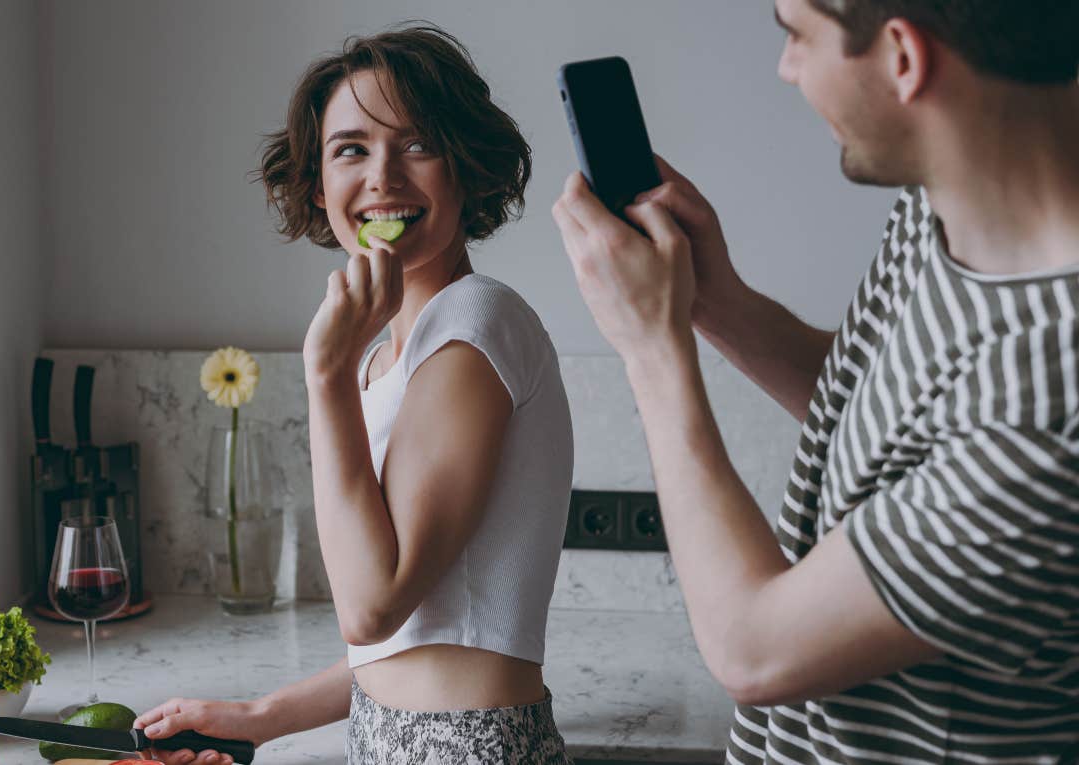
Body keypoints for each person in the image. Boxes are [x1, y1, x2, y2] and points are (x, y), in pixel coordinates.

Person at [552, 0, 1079, 761]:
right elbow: (892, 421)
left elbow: (753, 648)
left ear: (904, 57)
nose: (786, 66)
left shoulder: (1053, 409)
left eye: (796, 35)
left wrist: (651, 350)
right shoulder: (942, 202)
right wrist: (716, 303)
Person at [136, 25, 576, 764]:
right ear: (318, 184)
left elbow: (373, 605)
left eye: (417, 145)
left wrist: (325, 375)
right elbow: (412, 642)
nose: (382, 176)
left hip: (469, 747)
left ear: (464, 169)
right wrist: (259, 715)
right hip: (393, 736)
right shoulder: (386, 356)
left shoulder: (476, 324)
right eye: (351, 149)